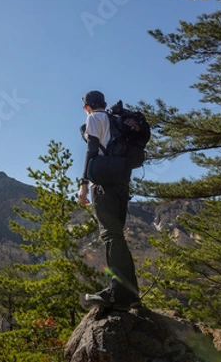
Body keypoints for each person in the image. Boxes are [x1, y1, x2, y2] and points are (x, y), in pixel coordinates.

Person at [78, 90, 141, 310]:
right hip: (122, 184)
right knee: (117, 237)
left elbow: (91, 150)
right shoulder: (117, 121)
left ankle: (116, 294)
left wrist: (83, 184)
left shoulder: (94, 118)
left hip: (103, 185)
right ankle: (132, 295)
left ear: (87, 107)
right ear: (104, 103)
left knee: (110, 237)